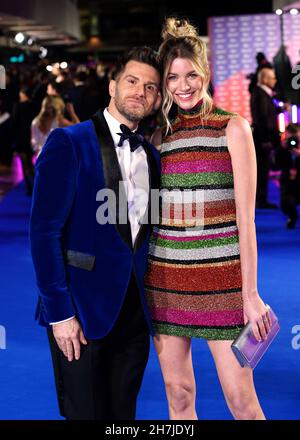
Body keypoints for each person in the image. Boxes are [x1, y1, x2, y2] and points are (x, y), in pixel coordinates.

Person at [144, 18, 272, 420]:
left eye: (191, 75)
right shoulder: (159, 138)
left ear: (206, 73)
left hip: (222, 286)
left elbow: (245, 221)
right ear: (163, 83)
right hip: (165, 284)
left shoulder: (233, 128)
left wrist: (249, 295)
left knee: (241, 402)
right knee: (178, 396)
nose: (183, 85)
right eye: (173, 78)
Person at [30, 46, 161, 420]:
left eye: (150, 87)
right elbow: (43, 235)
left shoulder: (150, 156)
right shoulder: (68, 142)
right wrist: (60, 315)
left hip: (134, 314)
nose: (140, 92)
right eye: (132, 81)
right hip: (81, 313)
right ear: (112, 86)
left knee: (123, 417)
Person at [250, 67, 281, 209]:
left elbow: (267, 114)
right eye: (273, 77)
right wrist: (266, 140)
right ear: (265, 79)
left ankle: (261, 199)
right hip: (263, 139)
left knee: (264, 169)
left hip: (264, 138)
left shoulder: (262, 93)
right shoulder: (260, 93)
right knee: (262, 170)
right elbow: (261, 118)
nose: (275, 80)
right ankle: (261, 200)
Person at [272, 123, 300, 229]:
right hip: (288, 184)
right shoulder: (283, 148)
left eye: (296, 137)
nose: (293, 140)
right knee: (285, 205)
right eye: (290, 137)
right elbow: (274, 167)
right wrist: (281, 149)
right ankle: (293, 216)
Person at [11, 86, 35, 195]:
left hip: (21, 138)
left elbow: (14, 123)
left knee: (25, 164)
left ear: (24, 95)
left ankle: (29, 188)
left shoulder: (18, 106)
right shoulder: (33, 106)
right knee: (30, 163)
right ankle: (36, 186)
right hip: (31, 137)